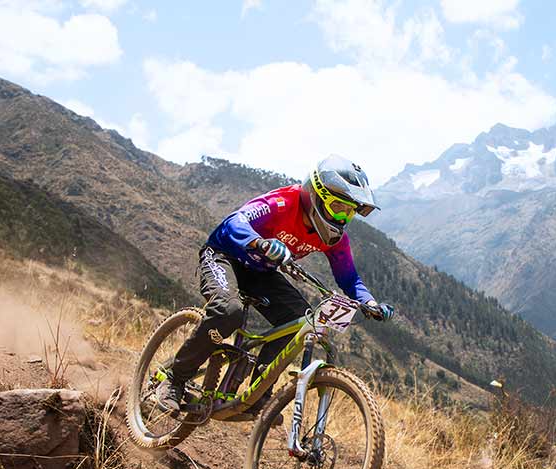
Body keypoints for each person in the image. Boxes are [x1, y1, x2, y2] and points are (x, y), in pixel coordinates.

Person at [156, 154, 394, 414]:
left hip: (261, 272)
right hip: (223, 256)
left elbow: (349, 277)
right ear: (316, 195)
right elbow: (234, 223)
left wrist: (368, 302)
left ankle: (258, 395)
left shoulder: (336, 240)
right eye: (339, 207)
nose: (342, 219)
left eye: (350, 213)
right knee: (228, 312)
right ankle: (173, 380)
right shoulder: (282, 203)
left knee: (300, 322)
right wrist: (259, 242)